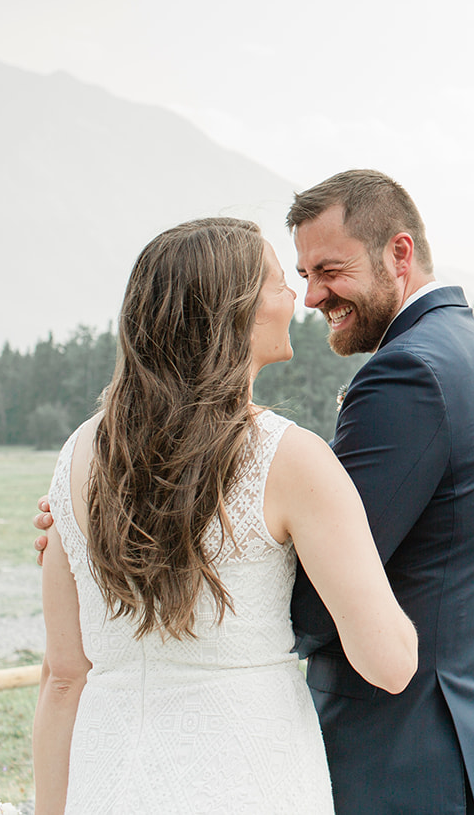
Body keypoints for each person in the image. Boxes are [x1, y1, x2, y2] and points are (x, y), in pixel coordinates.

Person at [32, 218, 417, 815]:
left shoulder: (78, 454)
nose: (295, 294)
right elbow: (389, 664)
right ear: (231, 313)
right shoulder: (290, 458)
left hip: (105, 779)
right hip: (244, 777)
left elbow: (62, 677)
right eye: (275, 282)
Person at [285, 170, 474, 815]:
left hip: (405, 759)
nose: (313, 295)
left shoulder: (405, 372)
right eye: (304, 275)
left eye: (330, 269)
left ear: (398, 254)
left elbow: (324, 594)